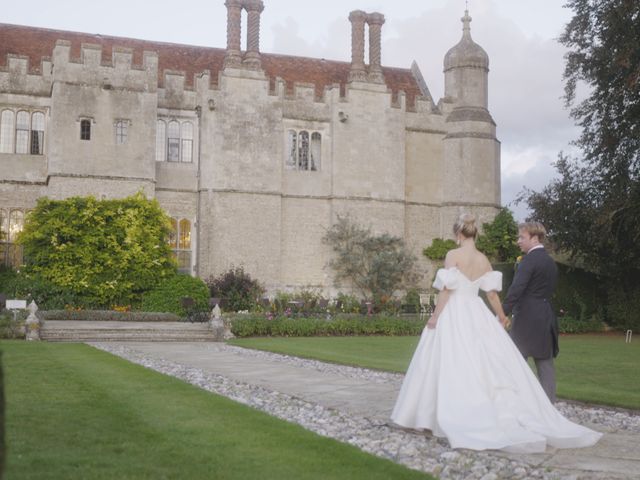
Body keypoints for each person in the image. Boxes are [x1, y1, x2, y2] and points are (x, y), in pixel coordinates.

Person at [390, 214, 601, 453]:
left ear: (459, 235)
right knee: (482, 361)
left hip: (455, 312)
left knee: (447, 360)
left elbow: (447, 290)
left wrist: (435, 316)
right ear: (475, 234)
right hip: (476, 311)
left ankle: (432, 416)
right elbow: (491, 294)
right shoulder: (483, 259)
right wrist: (501, 316)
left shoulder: (452, 255)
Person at [502, 222, 558, 403]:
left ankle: (513, 404)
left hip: (526, 317)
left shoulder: (528, 261)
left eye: (521, 237)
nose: (518, 241)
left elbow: (516, 290)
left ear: (534, 238)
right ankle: (549, 407)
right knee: (545, 363)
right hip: (545, 316)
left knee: (513, 362)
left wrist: (502, 314)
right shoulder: (550, 262)